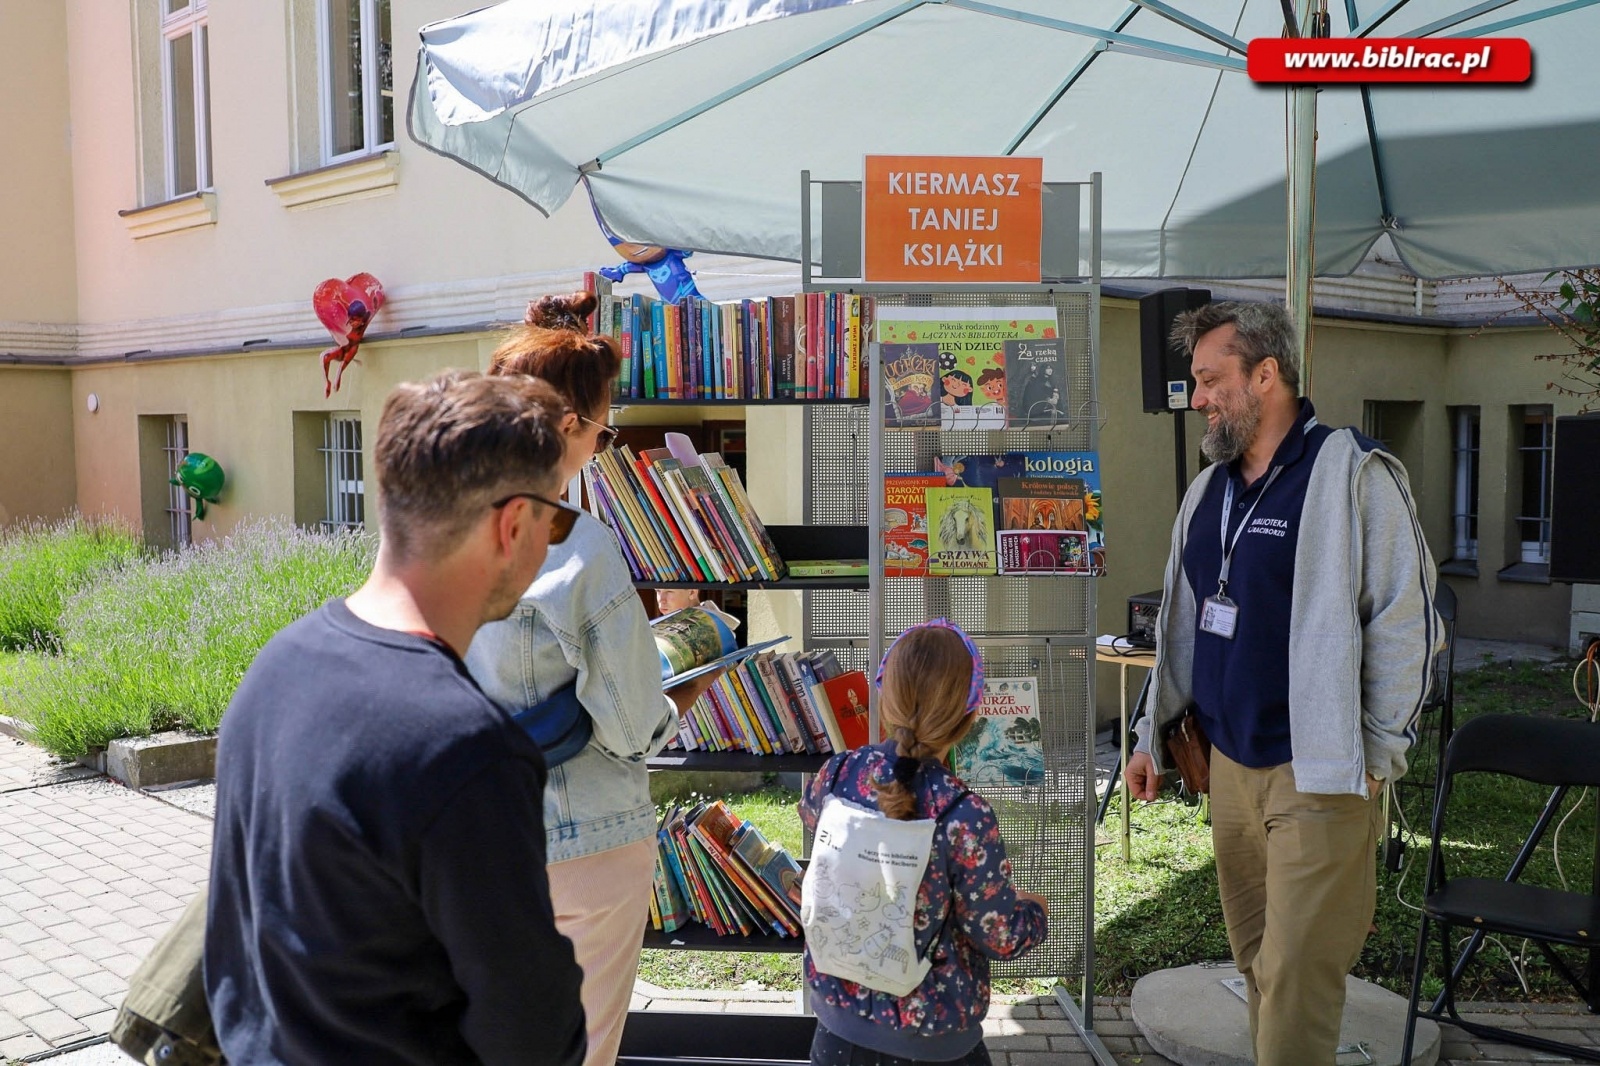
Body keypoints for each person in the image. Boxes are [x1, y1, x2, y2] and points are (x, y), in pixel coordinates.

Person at [206, 371, 587, 1065]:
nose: (551, 542)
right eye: (556, 517)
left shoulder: (277, 667)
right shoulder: (467, 749)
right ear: (512, 525)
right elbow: (529, 1025)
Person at [1125, 301, 1440, 1066]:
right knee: (1259, 968)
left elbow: (1407, 619)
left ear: (1267, 375)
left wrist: (1377, 750)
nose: (1197, 397)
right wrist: (1149, 737)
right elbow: (1181, 625)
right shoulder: (1209, 492)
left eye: (1210, 379)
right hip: (1229, 769)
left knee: (1298, 978)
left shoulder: (1352, 473)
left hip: (1320, 773)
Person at [466, 292, 720, 1066]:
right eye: (605, 433)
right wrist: (683, 683)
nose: (603, 450)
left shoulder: (435, 526)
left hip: (472, 838)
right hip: (584, 842)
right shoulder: (580, 548)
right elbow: (628, 722)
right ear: (569, 427)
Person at [800, 620, 1049, 1066]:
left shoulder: (836, 775)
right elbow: (999, 935)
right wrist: (1034, 912)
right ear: (971, 716)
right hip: (934, 1043)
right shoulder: (964, 816)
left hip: (836, 1030)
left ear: (883, 693)